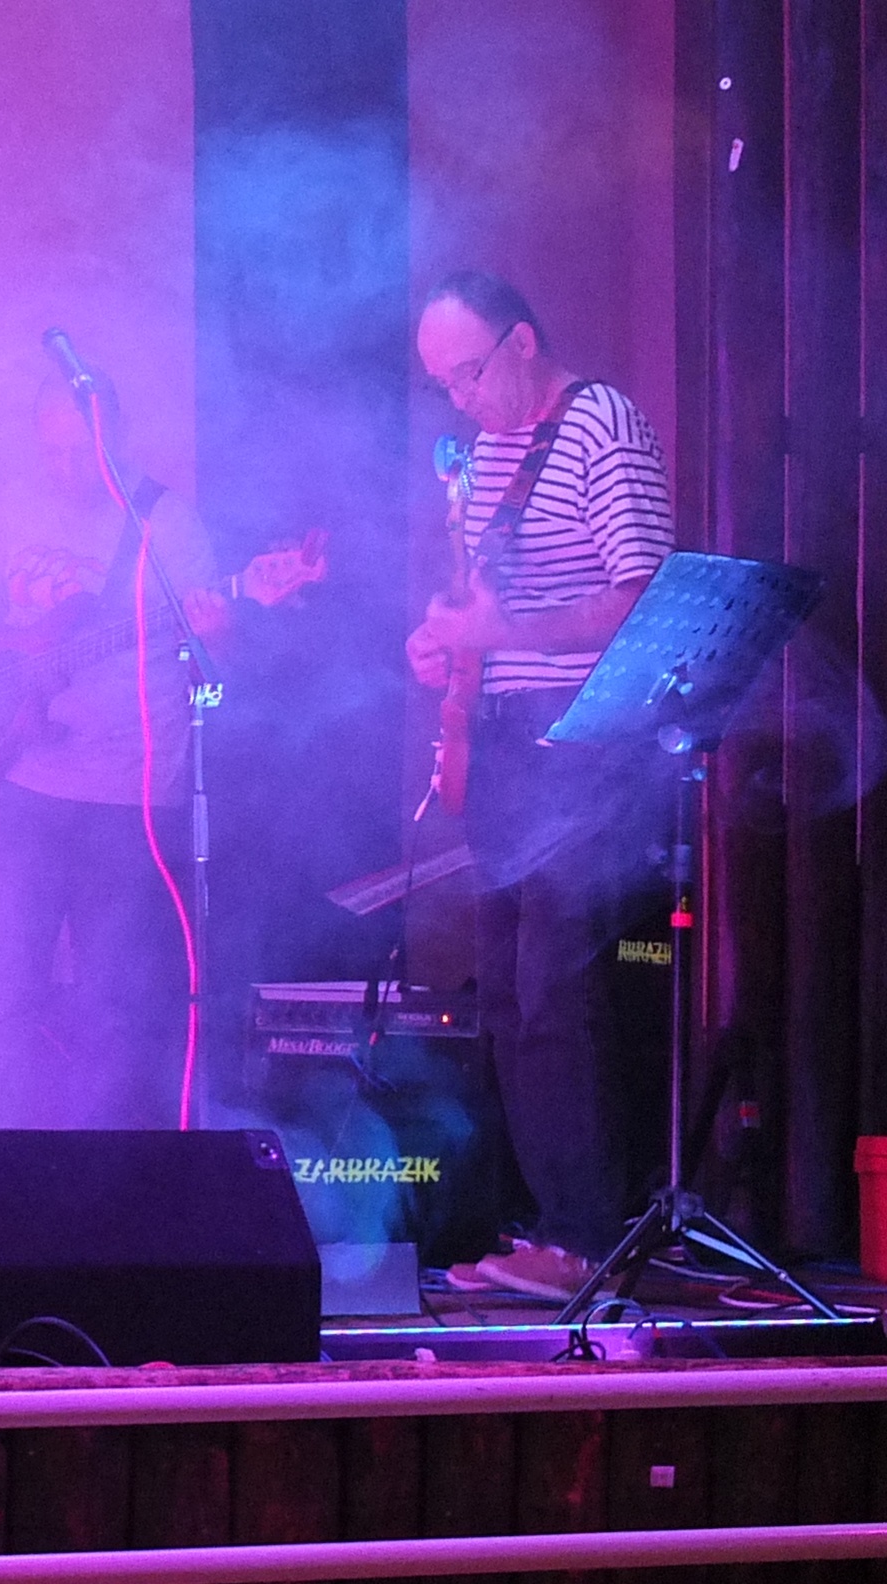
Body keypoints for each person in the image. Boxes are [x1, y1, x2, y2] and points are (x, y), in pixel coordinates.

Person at [405, 270, 674, 1302]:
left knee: (559, 991)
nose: (458, 397)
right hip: (507, 741)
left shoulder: (602, 424)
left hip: (587, 738)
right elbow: (484, 604)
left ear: (521, 343)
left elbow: (640, 594)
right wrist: (443, 641)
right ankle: (546, 1231)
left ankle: (585, 1239)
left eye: (467, 373)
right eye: (442, 383)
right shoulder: (485, 456)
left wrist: (505, 632)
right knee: (510, 998)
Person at [0, 375, 230, 1130]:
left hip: (125, 798)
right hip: (19, 780)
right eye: (51, 453)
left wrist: (218, 634)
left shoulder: (168, 526)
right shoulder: (16, 509)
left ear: (113, 439)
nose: (63, 468)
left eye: (78, 452)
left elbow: (215, 668)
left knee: (113, 1009)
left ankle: (102, 1178)